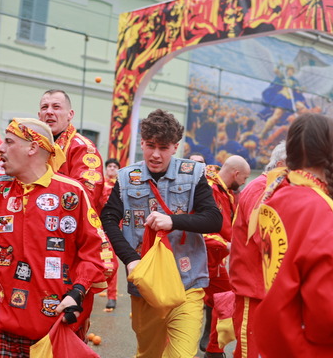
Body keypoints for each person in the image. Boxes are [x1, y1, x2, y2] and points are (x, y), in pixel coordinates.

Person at [0, 118, 112, 357]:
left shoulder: (72, 193)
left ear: (33, 147)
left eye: (9, 142)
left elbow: (97, 253)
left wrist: (77, 293)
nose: (0, 148)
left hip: (53, 326)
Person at [101, 109, 222, 358]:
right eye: (150, 145)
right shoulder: (126, 177)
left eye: (164, 147)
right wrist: (130, 260)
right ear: (142, 143)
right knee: (149, 353)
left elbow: (214, 219)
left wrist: (173, 221)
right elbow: (109, 219)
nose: (155, 154)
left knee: (181, 355)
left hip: (187, 282)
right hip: (147, 284)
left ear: (175, 147)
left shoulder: (194, 173)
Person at [253, 113, 333, 357]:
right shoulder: (320, 209)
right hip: (308, 346)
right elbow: (328, 318)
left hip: (278, 337)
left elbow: (295, 263)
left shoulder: (277, 196)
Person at [228, 141, 287, 358]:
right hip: (253, 289)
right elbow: (264, 237)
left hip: (266, 289)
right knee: (249, 352)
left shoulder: (270, 188)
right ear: (281, 165)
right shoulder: (262, 188)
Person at [200, 155, 251, 357]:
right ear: (236, 174)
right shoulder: (209, 189)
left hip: (214, 258)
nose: (244, 182)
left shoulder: (223, 190)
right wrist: (229, 245)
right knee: (184, 307)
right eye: (244, 178)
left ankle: (213, 349)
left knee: (225, 299)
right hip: (200, 258)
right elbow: (200, 230)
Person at [38, 89, 104, 208]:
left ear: (70, 114)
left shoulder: (83, 148)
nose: (49, 112)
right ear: (39, 116)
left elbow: (88, 194)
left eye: (56, 107)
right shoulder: (33, 146)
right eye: (44, 107)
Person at [99, 157, 121, 311]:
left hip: (115, 229)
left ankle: (112, 296)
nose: (112, 168)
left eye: (115, 166)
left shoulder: (122, 185)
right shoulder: (99, 184)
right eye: (110, 166)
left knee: (111, 262)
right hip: (98, 228)